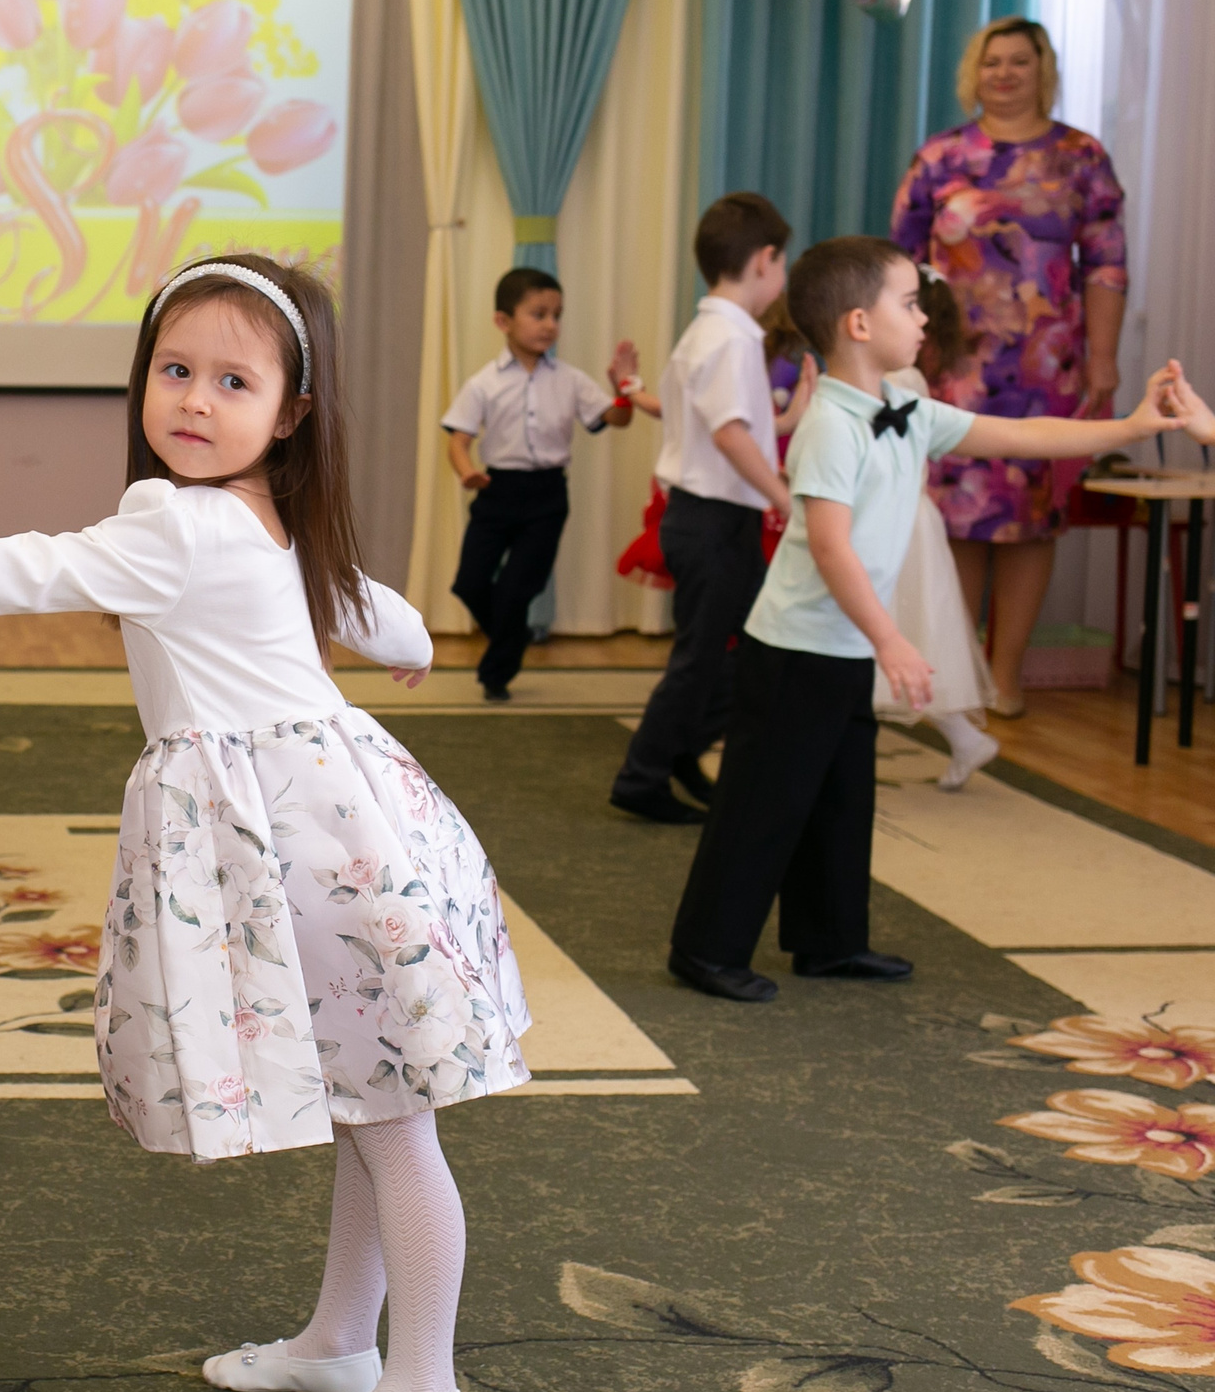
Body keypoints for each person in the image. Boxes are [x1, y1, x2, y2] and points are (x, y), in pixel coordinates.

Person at [0, 254, 525, 1392]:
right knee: (371, 1102)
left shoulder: (179, 517)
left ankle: (426, 1384)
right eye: (176, 370)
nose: (194, 400)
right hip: (345, 823)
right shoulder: (274, 509)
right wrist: (411, 647)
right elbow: (383, 617)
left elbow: (25, 567)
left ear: (293, 407)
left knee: (389, 1122)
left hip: (298, 844)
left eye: (233, 379)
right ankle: (341, 1339)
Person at [667, 237, 1190, 1006]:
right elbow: (831, 545)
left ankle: (830, 940)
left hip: (843, 645)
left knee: (842, 796)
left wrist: (1131, 427)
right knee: (763, 801)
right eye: (908, 304)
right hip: (796, 647)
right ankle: (704, 949)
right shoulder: (832, 426)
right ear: (857, 323)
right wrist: (890, 637)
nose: (922, 317)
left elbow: (1024, 436)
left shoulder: (903, 409)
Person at [893, 16, 1128, 716]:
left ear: (1042, 69)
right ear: (976, 72)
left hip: (1045, 372)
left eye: (1019, 61)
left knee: (1030, 521)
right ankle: (955, 672)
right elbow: (899, 265)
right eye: (992, 62)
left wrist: (1105, 362)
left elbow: (1108, 265)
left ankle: (1007, 675)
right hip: (953, 370)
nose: (1004, 73)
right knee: (960, 519)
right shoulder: (940, 157)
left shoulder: (1082, 157)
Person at [612, 193, 807, 824]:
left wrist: (788, 417)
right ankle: (642, 776)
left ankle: (680, 755)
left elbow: (728, 422)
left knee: (743, 652)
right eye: (782, 262)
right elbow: (728, 434)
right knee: (705, 658)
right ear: (765, 260)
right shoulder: (728, 338)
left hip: (714, 518)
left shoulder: (714, 333)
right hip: (712, 519)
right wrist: (787, 501)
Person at [442, 267, 635, 702]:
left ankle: (497, 672)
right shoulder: (483, 383)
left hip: (546, 497)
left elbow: (617, 418)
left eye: (556, 315)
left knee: (516, 589)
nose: (550, 324)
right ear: (503, 321)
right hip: (495, 491)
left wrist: (625, 391)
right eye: (538, 314)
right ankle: (513, 636)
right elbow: (458, 441)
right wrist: (466, 471)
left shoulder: (571, 380)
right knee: (469, 583)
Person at [881, 272, 1001, 791]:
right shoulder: (903, 379)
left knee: (901, 631)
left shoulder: (900, 383)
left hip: (895, 525)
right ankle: (963, 738)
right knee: (905, 631)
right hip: (904, 521)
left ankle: (962, 736)